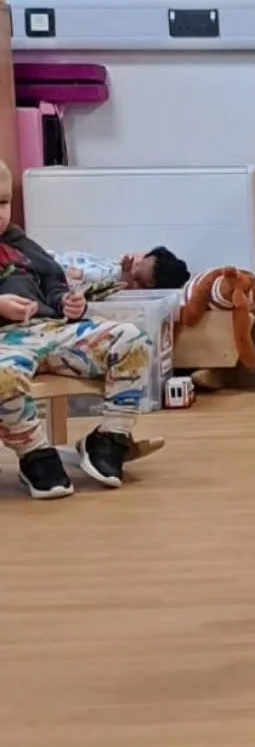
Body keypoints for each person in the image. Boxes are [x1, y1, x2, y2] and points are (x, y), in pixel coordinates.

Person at [0, 161, 151, 498]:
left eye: (2, 203)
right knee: (2, 376)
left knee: (133, 339)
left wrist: (69, 303)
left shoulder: (18, 242)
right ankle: (34, 453)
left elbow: (52, 280)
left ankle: (110, 436)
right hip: (4, 344)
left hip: (50, 329)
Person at [59, 246, 191, 299]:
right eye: (143, 260)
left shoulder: (140, 291)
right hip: (87, 266)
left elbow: (124, 287)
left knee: (85, 274)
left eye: (143, 265)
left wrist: (126, 271)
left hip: (89, 277)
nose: (139, 263)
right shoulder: (135, 268)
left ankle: (71, 270)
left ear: (152, 282)